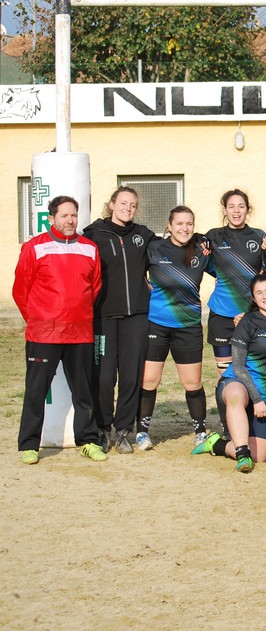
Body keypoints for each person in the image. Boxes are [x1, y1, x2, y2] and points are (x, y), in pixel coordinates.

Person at [14, 195, 106, 465]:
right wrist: (39, 318)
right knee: (35, 391)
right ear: (51, 218)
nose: (70, 220)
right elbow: (21, 290)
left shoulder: (89, 248)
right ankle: (29, 444)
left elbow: (94, 288)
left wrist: (78, 315)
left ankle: (88, 440)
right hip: (44, 333)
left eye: (74, 215)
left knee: (84, 391)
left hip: (79, 333)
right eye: (64, 216)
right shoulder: (34, 248)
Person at [193, 274, 266, 472]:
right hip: (237, 384)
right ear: (254, 299)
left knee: (262, 456)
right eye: (259, 293)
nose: (265, 296)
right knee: (237, 395)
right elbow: (238, 367)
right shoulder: (247, 322)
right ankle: (242, 454)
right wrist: (256, 399)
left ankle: (216, 444)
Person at [83, 186, 156, 454]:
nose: (128, 208)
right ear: (112, 204)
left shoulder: (144, 236)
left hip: (136, 317)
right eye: (123, 203)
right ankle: (102, 429)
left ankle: (124, 430)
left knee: (130, 377)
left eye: (133, 205)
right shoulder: (93, 235)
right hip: (103, 317)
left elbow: (171, 249)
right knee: (103, 377)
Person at [135, 206, 211, 451]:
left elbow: (227, 272)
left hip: (188, 326)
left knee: (192, 383)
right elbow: (132, 273)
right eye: (179, 223)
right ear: (169, 225)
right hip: (156, 323)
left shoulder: (202, 249)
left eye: (189, 223)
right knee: (149, 380)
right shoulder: (154, 248)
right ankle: (142, 431)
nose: (184, 228)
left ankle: (200, 431)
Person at [204, 189, 266, 373]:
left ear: (248, 209)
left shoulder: (260, 236)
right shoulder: (213, 236)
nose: (236, 211)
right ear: (225, 210)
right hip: (222, 315)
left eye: (241, 206)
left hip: (252, 315)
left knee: (251, 372)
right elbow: (199, 263)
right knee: (225, 374)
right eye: (231, 206)